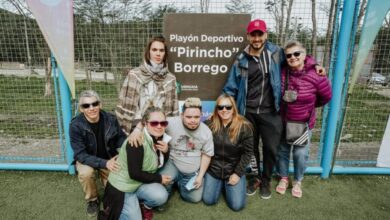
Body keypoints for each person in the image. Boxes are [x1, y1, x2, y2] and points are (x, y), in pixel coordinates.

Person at [223, 19, 325, 199]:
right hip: (248, 113)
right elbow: (231, 87)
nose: (256, 38)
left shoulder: (276, 53)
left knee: (271, 148)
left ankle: (266, 179)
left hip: (272, 112)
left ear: (265, 35)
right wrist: (227, 107)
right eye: (253, 34)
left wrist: (314, 64)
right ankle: (255, 178)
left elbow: (298, 57)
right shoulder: (241, 59)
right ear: (248, 36)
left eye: (259, 34)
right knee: (250, 148)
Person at [129, 97, 214, 204]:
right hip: (172, 164)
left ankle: (179, 184)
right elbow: (149, 120)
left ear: (201, 115)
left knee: (194, 198)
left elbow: (207, 155)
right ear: (181, 115)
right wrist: (137, 129)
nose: (193, 120)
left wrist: (200, 176)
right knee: (161, 191)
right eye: (188, 117)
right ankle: (172, 183)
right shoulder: (171, 122)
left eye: (196, 117)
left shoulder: (206, 132)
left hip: (192, 172)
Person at [275, 40, 332, 198]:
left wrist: (309, 107)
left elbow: (325, 97)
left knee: (300, 154)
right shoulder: (282, 71)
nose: (292, 57)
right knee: (283, 151)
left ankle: (298, 180)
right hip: (284, 120)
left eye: (296, 53)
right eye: (288, 55)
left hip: (303, 122)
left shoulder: (316, 74)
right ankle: (283, 178)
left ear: (304, 54)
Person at [99, 106, 172, 220]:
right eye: (154, 123)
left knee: (161, 196)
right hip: (123, 188)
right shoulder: (136, 140)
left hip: (138, 184)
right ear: (145, 124)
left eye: (163, 123)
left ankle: (142, 205)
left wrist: (166, 151)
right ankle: (131, 204)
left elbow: (159, 162)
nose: (159, 126)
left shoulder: (159, 138)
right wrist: (159, 179)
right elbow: (134, 173)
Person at [69, 90, 127, 217]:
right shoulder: (75, 125)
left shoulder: (111, 119)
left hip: (108, 158)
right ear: (81, 109)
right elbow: (80, 154)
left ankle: (106, 181)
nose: (92, 108)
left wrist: (127, 147)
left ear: (100, 104)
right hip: (88, 160)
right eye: (86, 105)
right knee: (86, 173)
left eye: (94, 104)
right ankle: (92, 200)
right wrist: (105, 163)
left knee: (116, 193)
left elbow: (120, 138)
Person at [116, 36, 179, 136]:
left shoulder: (170, 79)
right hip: (136, 127)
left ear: (165, 53)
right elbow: (125, 104)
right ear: (148, 52)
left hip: (159, 128)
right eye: (154, 50)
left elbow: (172, 109)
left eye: (161, 50)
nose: (158, 53)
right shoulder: (134, 75)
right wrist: (139, 126)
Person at [202, 94, 253, 211]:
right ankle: (220, 184)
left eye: (228, 107)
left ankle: (228, 185)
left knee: (237, 206)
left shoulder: (244, 126)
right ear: (217, 109)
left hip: (233, 170)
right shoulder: (209, 124)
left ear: (233, 108)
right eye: (220, 107)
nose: (224, 110)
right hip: (214, 170)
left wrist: (237, 174)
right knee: (208, 200)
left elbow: (248, 153)